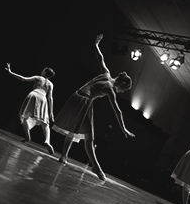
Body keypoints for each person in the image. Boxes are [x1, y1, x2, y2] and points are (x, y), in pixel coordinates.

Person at [52, 34, 135, 180]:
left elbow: (100, 59)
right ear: (122, 84)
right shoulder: (110, 89)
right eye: (124, 90)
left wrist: (96, 45)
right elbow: (117, 111)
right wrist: (124, 129)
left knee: (73, 131)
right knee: (89, 137)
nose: (122, 92)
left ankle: (64, 156)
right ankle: (96, 167)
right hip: (84, 101)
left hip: (76, 96)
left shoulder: (107, 74)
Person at [5, 63, 55, 155]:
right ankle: (47, 140)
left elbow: (23, 78)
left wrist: (10, 72)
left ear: (44, 72)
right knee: (45, 123)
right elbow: (50, 98)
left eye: (43, 70)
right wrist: (51, 112)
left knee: (24, 116)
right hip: (43, 99)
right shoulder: (50, 84)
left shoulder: (38, 78)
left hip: (34, 95)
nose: (42, 70)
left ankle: (28, 136)